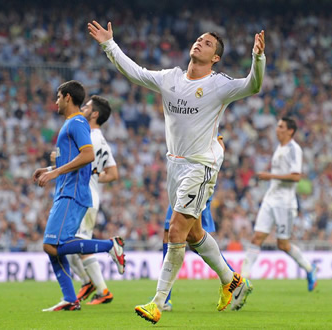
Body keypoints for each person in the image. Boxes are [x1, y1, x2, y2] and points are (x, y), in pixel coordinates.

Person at [88, 20, 265, 324]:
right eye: (199, 39)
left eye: (208, 43)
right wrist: (109, 45)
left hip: (201, 165)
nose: (199, 43)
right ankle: (233, 281)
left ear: (215, 58)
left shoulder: (219, 84)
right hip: (175, 164)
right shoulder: (171, 78)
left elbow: (253, 85)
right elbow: (135, 72)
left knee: (176, 231)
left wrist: (257, 59)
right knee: (195, 234)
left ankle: (157, 303)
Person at [32, 81, 125, 312]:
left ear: (67, 97)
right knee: (51, 246)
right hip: (66, 190)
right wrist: (48, 168)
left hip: (73, 193)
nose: (55, 101)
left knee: (53, 245)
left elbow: (88, 155)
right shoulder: (72, 124)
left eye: (58, 96)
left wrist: (54, 172)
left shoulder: (78, 122)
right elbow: (81, 160)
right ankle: (70, 299)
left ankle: (110, 246)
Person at [161, 134, 252, 312]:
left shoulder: (206, 121)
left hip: (195, 183)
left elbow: (219, 146)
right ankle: (236, 283)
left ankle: (165, 299)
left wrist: (206, 176)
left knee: (182, 236)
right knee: (185, 238)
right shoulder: (191, 120)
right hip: (185, 182)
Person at [240, 117, 317, 291]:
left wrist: (270, 176)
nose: (277, 129)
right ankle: (241, 282)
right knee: (256, 238)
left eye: (281, 127)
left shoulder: (294, 149)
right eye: (277, 126)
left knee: (283, 244)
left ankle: (309, 268)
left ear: (290, 130)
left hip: (285, 203)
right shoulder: (280, 148)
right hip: (270, 199)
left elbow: (296, 176)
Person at [63, 95, 119, 305]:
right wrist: (96, 177)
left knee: (79, 244)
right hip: (87, 195)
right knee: (66, 244)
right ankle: (89, 283)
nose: (83, 108)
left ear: (94, 114)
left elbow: (76, 162)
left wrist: (56, 163)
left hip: (83, 197)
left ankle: (102, 289)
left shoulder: (90, 138)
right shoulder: (101, 140)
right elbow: (112, 173)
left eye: (86, 106)